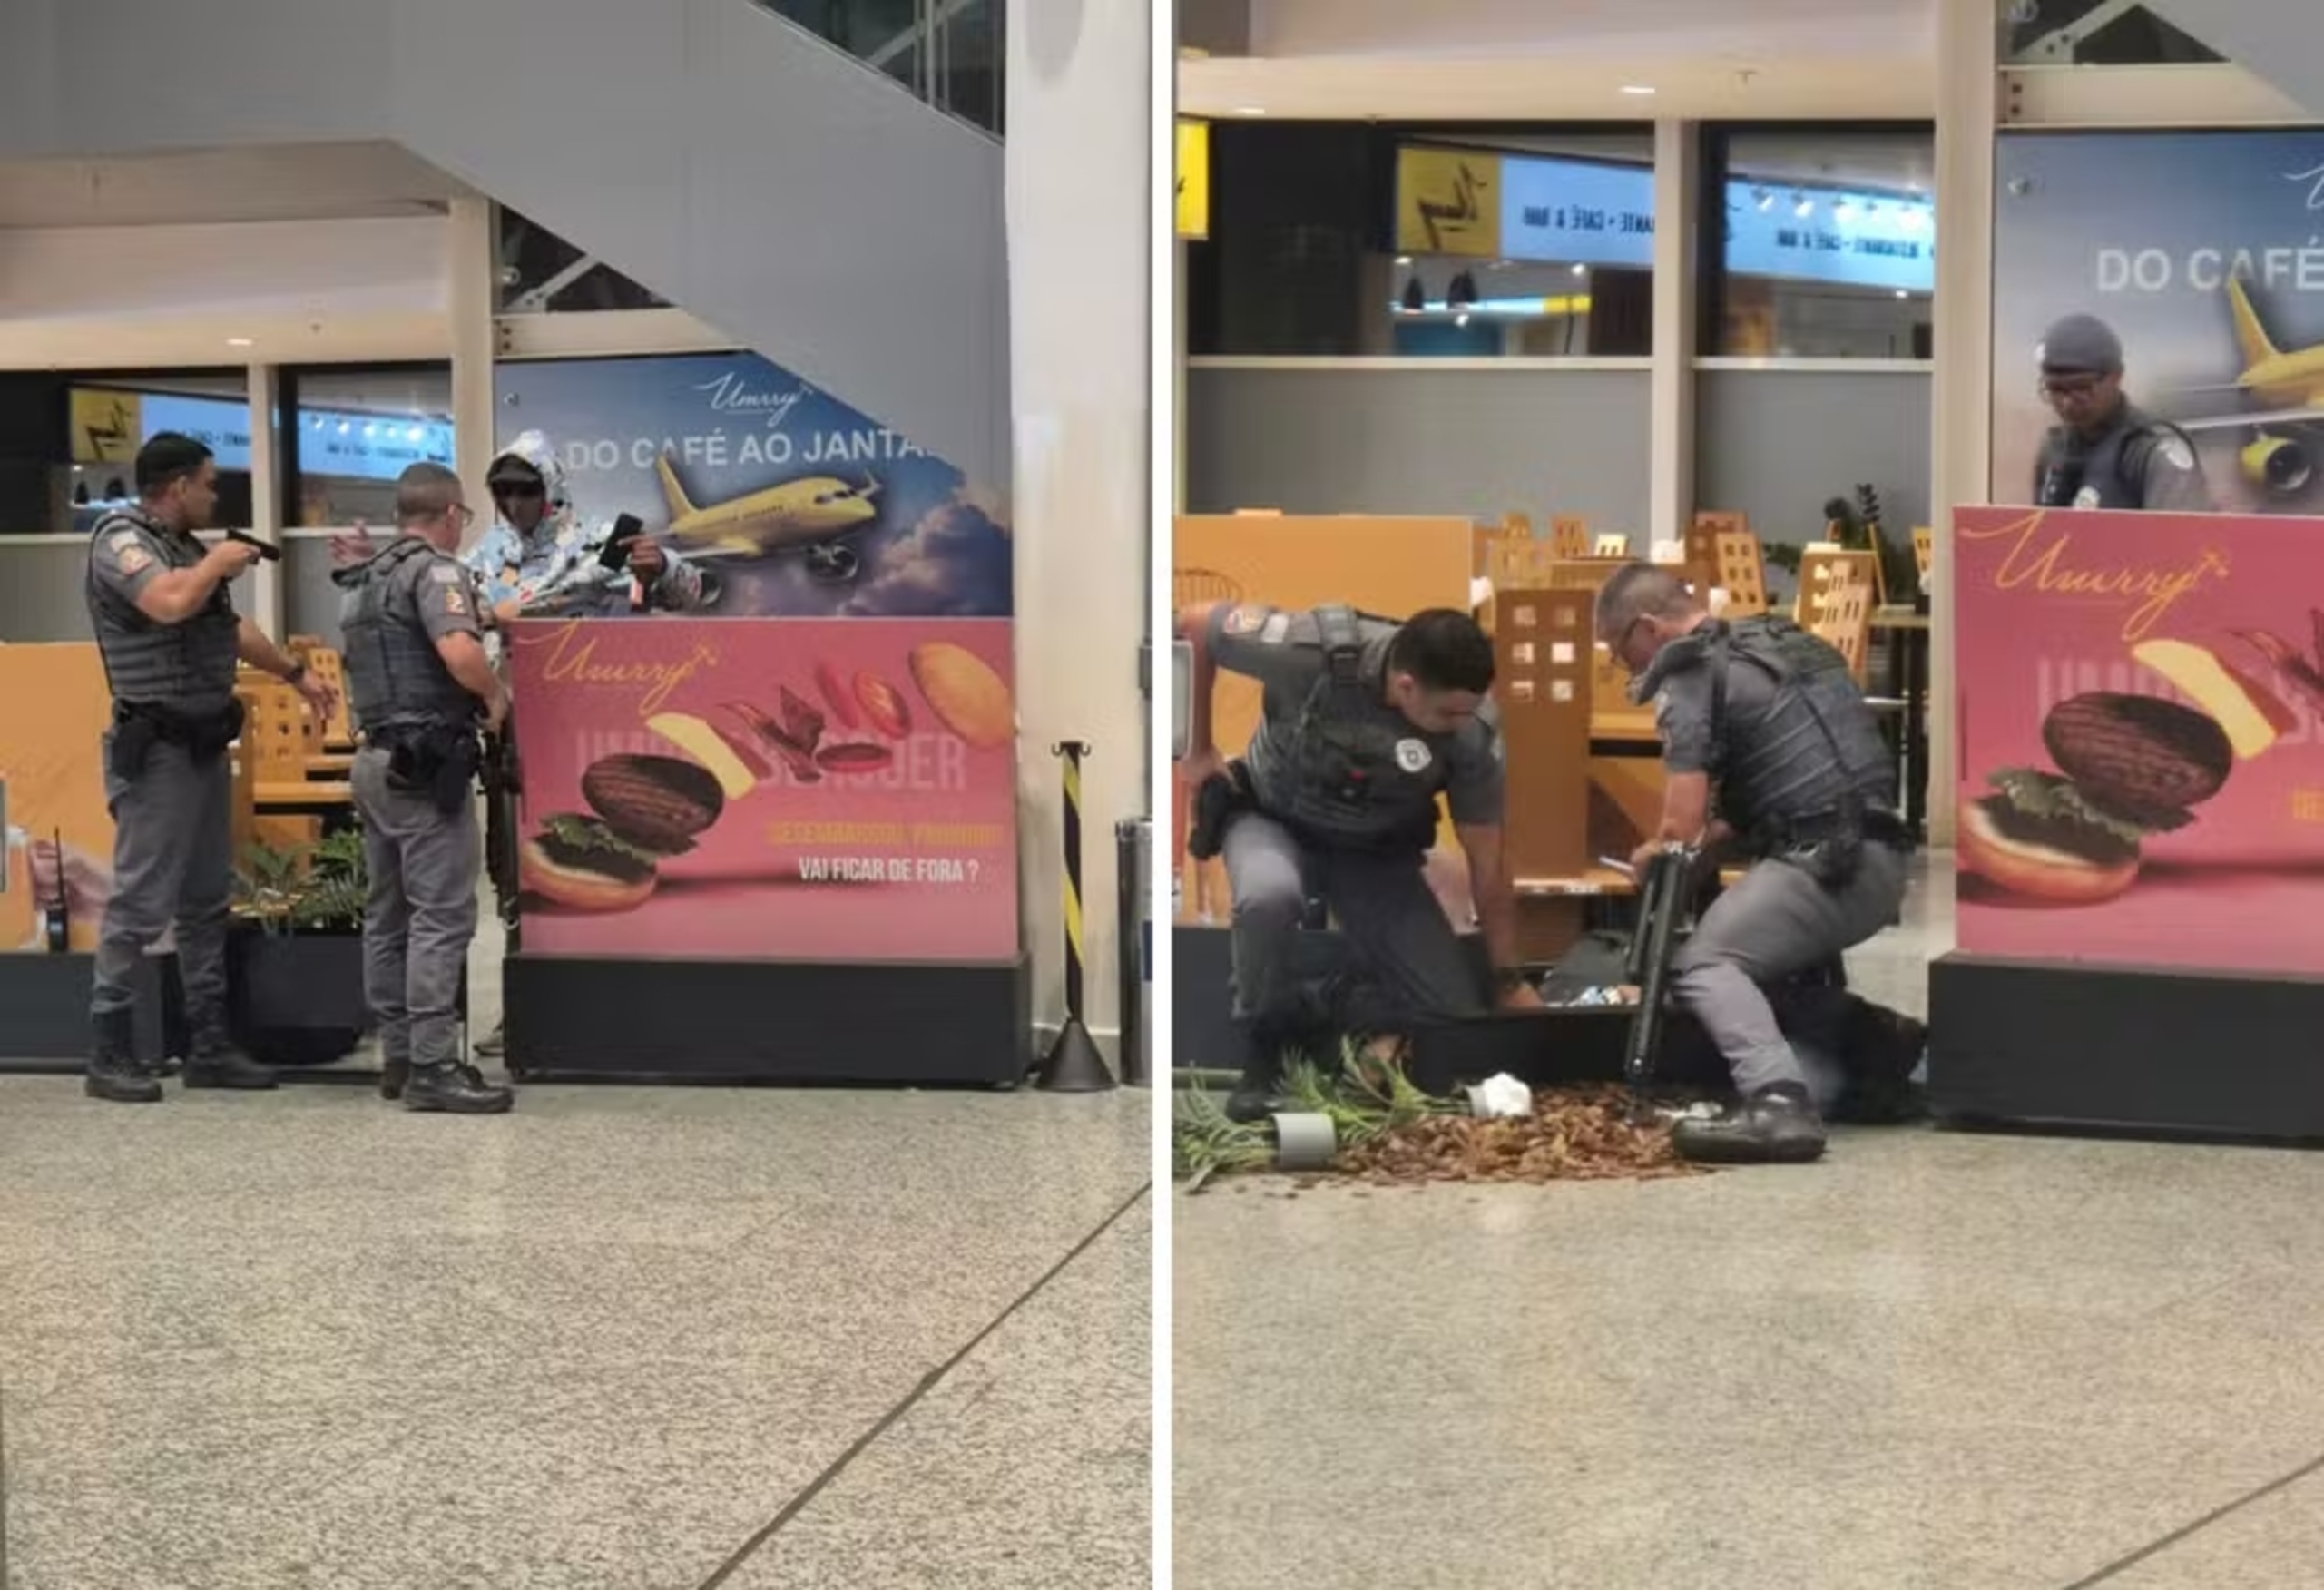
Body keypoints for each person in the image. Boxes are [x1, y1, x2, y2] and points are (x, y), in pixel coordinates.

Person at [332, 432, 711, 1061]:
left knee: (614, 861)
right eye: (501, 491)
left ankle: (615, 1008)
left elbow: (697, 593)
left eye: (525, 489)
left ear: (551, 486)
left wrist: (662, 570)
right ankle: (523, 1013)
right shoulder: (480, 557)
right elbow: (453, 630)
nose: (513, 502)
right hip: (512, 736)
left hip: (599, 728)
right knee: (519, 875)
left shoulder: (603, 543)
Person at [1597, 564, 1917, 1165]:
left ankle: (1777, 1103)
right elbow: (1763, 801)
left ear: (1646, 628)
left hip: (1823, 867)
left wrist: (1649, 856)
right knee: (1758, 965)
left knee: (1706, 964)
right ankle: (1875, 1039)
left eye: (1619, 650)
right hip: (1883, 859)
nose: (1624, 666)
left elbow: (1680, 829)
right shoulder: (1782, 643)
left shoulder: (1688, 675)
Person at [1178, 602, 1541, 1124]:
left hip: (1372, 851)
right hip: (1273, 816)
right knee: (1268, 897)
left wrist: (1509, 979)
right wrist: (1197, 747)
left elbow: (1488, 859)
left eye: (1469, 711)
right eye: (1448, 714)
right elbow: (1196, 624)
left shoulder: (1473, 732)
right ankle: (1265, 1046)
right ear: (1406, 685)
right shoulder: (1310, 649)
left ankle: (1323, 1007)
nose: (1459, 724)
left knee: (1450, 1015)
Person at [83, 432, 339, 1104]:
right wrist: (219, 562)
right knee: (140, 900)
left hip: (200, 746)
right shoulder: (120, 542)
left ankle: (209, 1044)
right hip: (155, 751)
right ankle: (109, 1049)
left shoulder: (186, 550)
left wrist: (293, 673)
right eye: (207, 483)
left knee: (205, 899)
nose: (213, 495)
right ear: (176, 486)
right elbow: (167, 603)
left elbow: (228, 629)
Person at [335, 463, 515, 1114]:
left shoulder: (364, 581)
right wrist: (495, 696)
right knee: (441, 917)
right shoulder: (437, 571)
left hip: (374, 761)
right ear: (450, 515)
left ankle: (402, 1056)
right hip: (424, 766)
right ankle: (436, 1066)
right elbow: (460, 655)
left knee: (388, 916)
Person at [2032, 313, 2213, 513]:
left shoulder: (2151, 452)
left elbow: (2180, 531)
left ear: (2116, 377)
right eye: (2056, 389)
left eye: (2081, 388)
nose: (2067, 403)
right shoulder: (2054, 448)